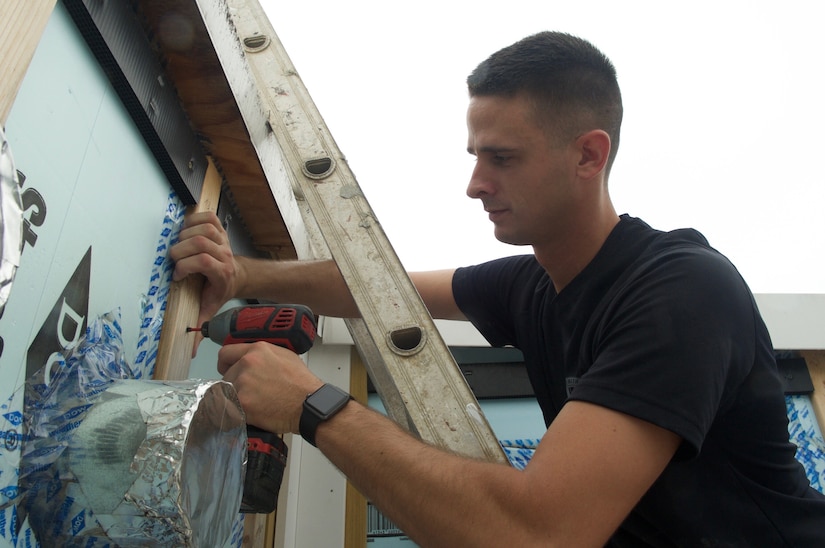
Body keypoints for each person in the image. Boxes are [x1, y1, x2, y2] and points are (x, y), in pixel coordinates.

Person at [171, 31, 825, 546]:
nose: (475, 184)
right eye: (475, 156)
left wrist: (313, 406)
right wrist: (245, 275)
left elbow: (531, 537)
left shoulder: (681, 292)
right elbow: (376, 290)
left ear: (588, 156)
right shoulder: (533, 283)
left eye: (502, 158)